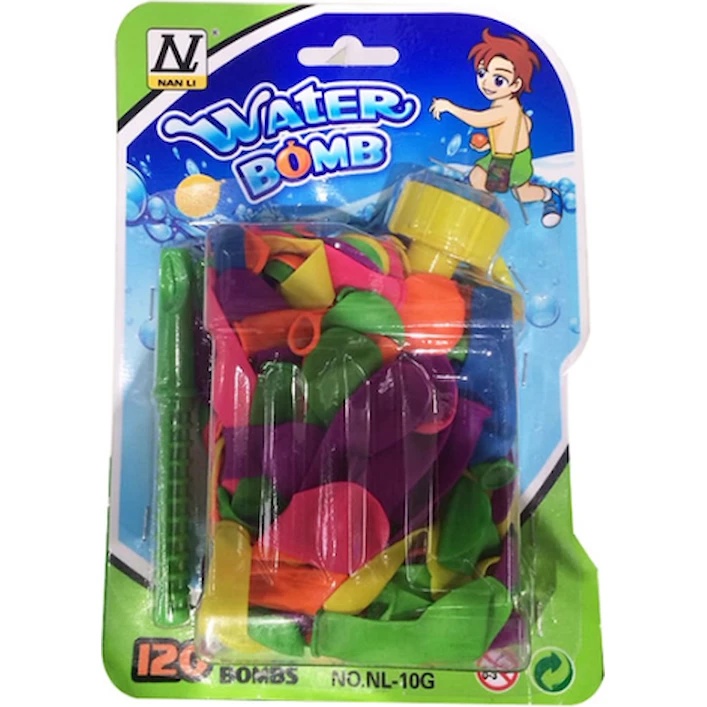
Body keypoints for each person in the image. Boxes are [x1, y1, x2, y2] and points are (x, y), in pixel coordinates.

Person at [430, 29, 562, 227]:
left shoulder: (506, 108)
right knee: (477, 177)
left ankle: (550, 195)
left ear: (516, 84)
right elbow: (523, 126)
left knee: (521, 193)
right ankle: (472, 203)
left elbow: (479, 120)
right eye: (482, 73)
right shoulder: (507, 105)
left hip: (513, 162)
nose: (486, 83)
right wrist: (491, 145)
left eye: (499, 79)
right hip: (499, 156)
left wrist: (450, 107)